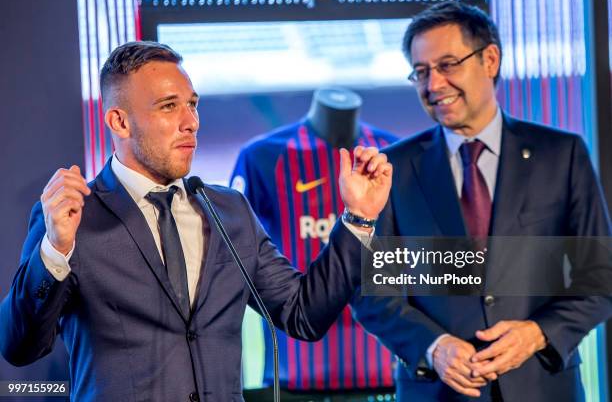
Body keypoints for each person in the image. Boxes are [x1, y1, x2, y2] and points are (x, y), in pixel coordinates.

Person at [0, 41, 393, 401]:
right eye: (169, 106)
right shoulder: (74, 216)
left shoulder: (229, 210)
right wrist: (54, 251)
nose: (191, 122)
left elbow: (303, 314)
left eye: (193, 104)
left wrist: (358, 218)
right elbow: (19, 347)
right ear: (119, 122)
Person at [351, 2, 612, 402]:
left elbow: (599, 277)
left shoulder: (562, 155)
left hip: (542, 387)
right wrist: (433, 346)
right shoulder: (394, 169)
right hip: (437, 392)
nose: (434, 84)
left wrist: (537, 334)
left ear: (490, 59)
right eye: (421, 72)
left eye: (448, 64)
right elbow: (374, 294)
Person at [230, 87, 398, 395]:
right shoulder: (262, 157)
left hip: (386, 372)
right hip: (295, 378)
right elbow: (233, 262)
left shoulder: (393, 154)